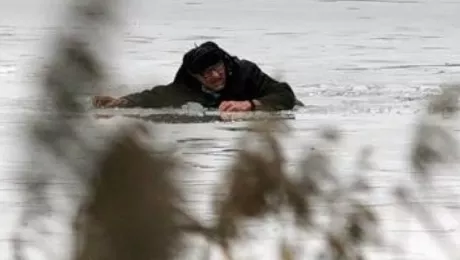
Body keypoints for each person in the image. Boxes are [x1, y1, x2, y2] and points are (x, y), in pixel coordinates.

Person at [92, 41, 303, 112]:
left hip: (261, 104)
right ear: (196, 77)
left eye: (217, 67)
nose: (215, 75)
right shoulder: (187, 84)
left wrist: (250, 104)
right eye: (207, 73)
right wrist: (123, 102)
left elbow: (285, 95)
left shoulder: (245, 72)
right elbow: (159, 95)